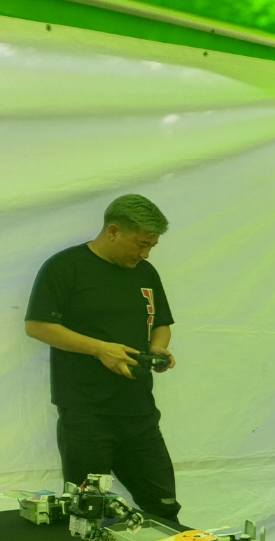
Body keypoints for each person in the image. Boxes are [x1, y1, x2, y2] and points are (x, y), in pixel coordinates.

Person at [24, 194, 181, 523]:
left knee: (164, 507)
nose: (145, 254)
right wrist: (100, 348)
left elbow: (161, 323)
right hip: (86, 414)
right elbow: (37, 326)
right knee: (87, 514)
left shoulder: (146, 273)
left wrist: (158, 349)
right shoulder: (65, 267)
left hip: (139, 412)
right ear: (113, 231)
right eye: (141, 244)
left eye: (151, 246)